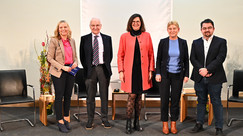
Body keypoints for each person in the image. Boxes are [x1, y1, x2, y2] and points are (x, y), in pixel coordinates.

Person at [117, 13, 155, 134]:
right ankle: (128, 123)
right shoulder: (124, 36)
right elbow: (120, 55)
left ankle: (136, 123)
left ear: (141, 23)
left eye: (138, 22)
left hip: (142, 72)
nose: (135, 24)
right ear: (130, 23)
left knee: (139, 97)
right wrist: (121, 71)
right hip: (130, 72)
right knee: (131, 96)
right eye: (133, 22)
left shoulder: (147, 36)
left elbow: (151, 54)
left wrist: (150, 70)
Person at [190, 19, 227, 135]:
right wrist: (202, 71)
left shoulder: (221, 42)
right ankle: (199, 123)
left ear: (213, 29)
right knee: (201, 101)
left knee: (216, 101)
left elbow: (220, 58)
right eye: (204, 28)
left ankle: (219, 128)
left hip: (215, 77)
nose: (207, 30)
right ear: (201, 30)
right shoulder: (195, 42)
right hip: (200, 77)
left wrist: (208, 70)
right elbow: (193, 58)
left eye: (209, 28)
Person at [155, 21, 189, 134]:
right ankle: (165, 124)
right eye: (170, 28)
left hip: (178, 75)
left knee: (175, 100)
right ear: (167, 30)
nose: (172, 30)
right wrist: (158, 73)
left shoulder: (183, 42)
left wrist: (186, 74)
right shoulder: (163, 42)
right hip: (164, 75)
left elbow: (186, 60)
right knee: (164, 100)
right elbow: (158, 59)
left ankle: (173, 123)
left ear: (178, 29)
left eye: (174, 28)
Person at [80, 18, 113, 130]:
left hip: (103, 69)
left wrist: (105, 65)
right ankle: (90, 120)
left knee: (104, 96)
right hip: (90, 70)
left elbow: (110, 55)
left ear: (101, 26)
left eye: (97, 25)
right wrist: (88, 67)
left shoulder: (107, 38)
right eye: (93, 25)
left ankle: (105, 119)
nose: (95, 27)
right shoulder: (84, 39)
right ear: (90, 26)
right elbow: (82, 56)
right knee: (90, 97)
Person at [47, 20, 78, 133]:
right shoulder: (54, 41)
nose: (63, 29)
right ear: (58, 29)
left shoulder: (72, 41)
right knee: (59, 97)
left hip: (70, 71)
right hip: (58, 72)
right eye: (61, 27)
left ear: (68, 28)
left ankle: (66, 118)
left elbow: (75, 56)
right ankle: (59, 121)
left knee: (68, 96)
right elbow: (49, 58)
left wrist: (75, 63)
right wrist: (62, 67)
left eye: (65, 27)